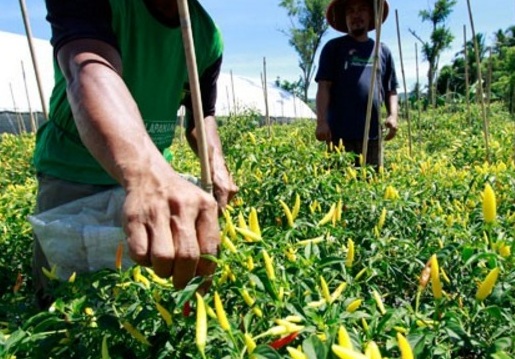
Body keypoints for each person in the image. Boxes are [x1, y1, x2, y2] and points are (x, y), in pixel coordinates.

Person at [32, 0, 238, 308]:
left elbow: (202, 114)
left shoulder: (206, 36)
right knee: (61, 304)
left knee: (137, 306)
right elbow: (87, 67)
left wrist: (216, 163)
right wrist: (148, 177)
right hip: (73, 173)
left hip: (154, 177)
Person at [315, 0, 399, 168]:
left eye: (362, 9)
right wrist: (321, 121)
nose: (356, 15)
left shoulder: (382, 51)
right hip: (339, 135)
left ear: (371, 15)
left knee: (372, 186)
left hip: (372, 136)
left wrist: (393, 115)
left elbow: (391, 90)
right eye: (350, 11)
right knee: (339, 186)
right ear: (345, 18)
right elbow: (323, 87)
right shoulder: (334, 48)